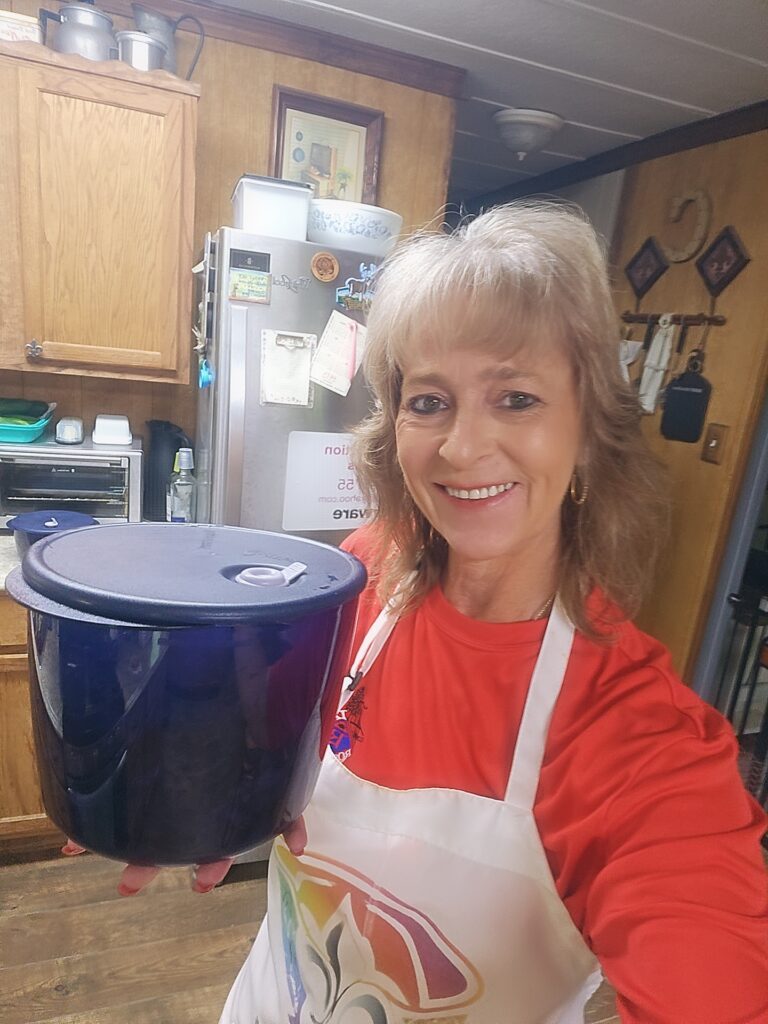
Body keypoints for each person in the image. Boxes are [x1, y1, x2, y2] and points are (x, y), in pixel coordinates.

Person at [125, 203, 768, 1022]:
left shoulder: (642, 744)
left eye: (517, 398)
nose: (462, 448)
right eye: (429, 401)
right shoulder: (362, 574)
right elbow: (265, 734)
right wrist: (198, 800)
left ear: (588, 430)